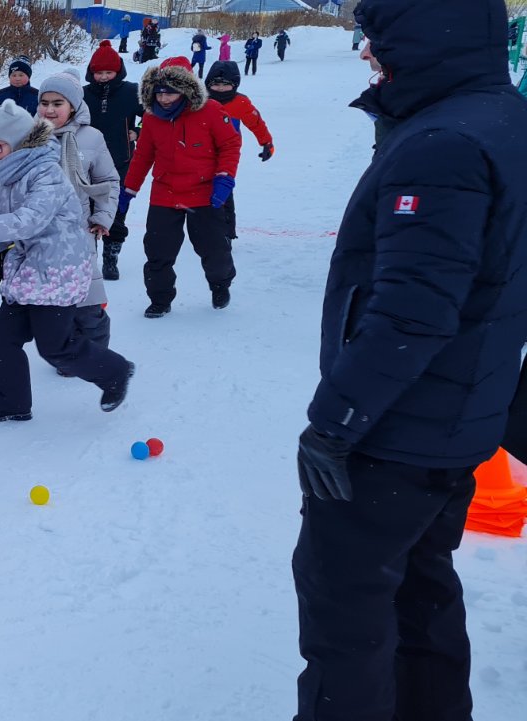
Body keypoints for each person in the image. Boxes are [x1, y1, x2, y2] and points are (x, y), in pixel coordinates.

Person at [293, 2, 527, 719]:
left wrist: (334, 421)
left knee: (347, 613)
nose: (369, 53)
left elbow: (415, 312)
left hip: (395, 432)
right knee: (421, 585)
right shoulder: (501, 115)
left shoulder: (445, 142)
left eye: (380, 37)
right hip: (455, 421)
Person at [0, 101, 134, 423]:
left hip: (57, 273)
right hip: (28, 273)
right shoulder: (12, 177)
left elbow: (28, 221)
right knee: (3, 338)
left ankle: (115, 371)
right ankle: (12, 403)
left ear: (17, 143)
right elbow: (8, 225)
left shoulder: (48, 175)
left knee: (55, 347)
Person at [121, 57, 240, 318]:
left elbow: (230, 145)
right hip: (165, 193)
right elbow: (143, 156)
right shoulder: (152, 118)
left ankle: (220, 284)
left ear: (186, 90)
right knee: (157, 252)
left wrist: (224, 178)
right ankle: (160, 299)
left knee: (214, 250)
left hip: (205, 193)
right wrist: (128, 190)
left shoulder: (210, 111)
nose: (164, 99)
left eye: (171, 92)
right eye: (159, 92)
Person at [38, 70, 119, 355]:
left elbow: (108, 181)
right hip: (40, 235)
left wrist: (102, 217)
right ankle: (66, 350)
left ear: (72, 105)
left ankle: (95, 354)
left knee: (86, 297)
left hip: (78, 232)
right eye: (44, 102)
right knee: (52, 298)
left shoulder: (92, 138)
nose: (49, 109)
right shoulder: (27, 136)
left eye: (57, 103)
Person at [83, 40, 144, 282]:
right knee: (86, 211)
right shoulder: (83, 94)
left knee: (116, 211)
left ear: (118, 72)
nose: (104, 77)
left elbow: (150, 117)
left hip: (120, 160)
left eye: (109, 72)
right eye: (99, 73)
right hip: (87, 163)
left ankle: (111, 256)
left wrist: (137, 131)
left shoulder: (131, 92)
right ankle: (90, 258)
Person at [204, 60, 275, 244]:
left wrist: (266, 143)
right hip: (201, 152)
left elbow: (256, 122)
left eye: (225, 85)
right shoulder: (200, 99)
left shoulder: (240, 102)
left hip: (227, 154)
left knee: (224, 190)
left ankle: (226, 232)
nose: (220, 89)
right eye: (216, 84)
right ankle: (202, 225)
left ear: (234, 85)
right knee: (200, 188)